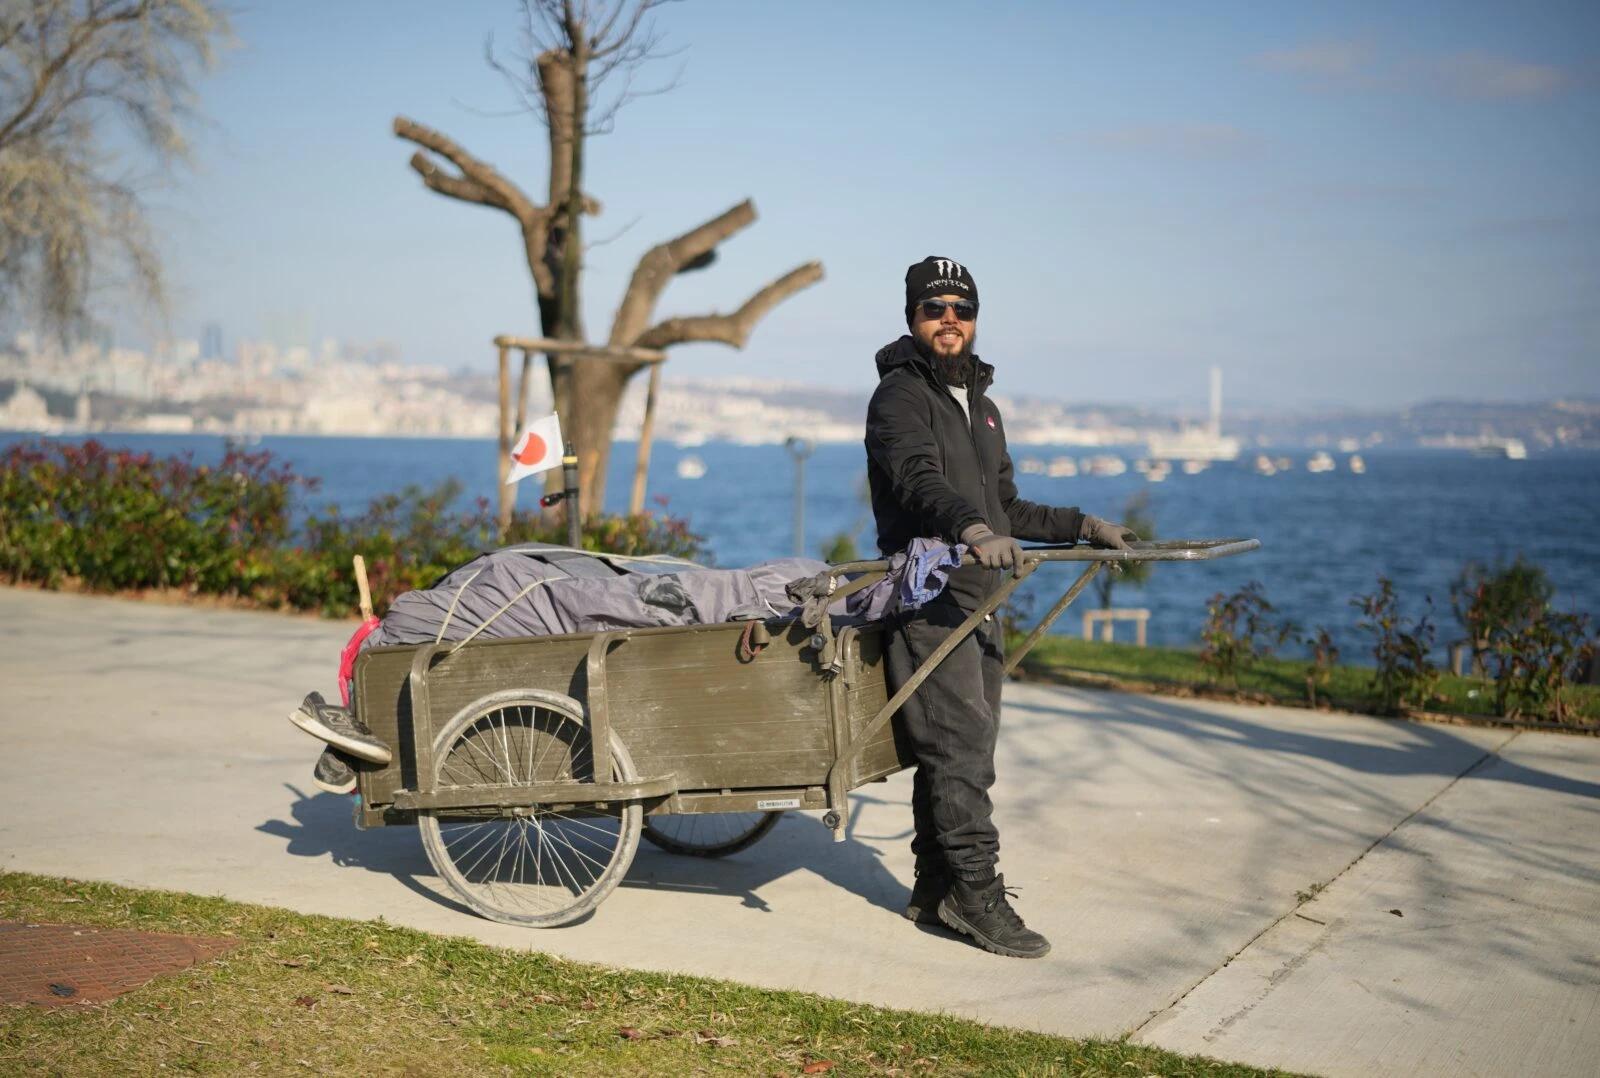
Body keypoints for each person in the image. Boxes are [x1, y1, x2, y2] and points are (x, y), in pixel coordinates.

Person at [865, 255, 1137, 959]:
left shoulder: (981, 405)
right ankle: (976, 895)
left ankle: (932, 888)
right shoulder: (899, 397)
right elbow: (920, 484)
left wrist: (1085, 524)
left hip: (981, 598)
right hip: (929, 595)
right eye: (934, 308)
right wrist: (973, 531)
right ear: (912, 319)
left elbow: (1006, 505)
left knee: (962, 747)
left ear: (975, 318)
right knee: (959, 748)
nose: (949, 319)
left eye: (961, 307)